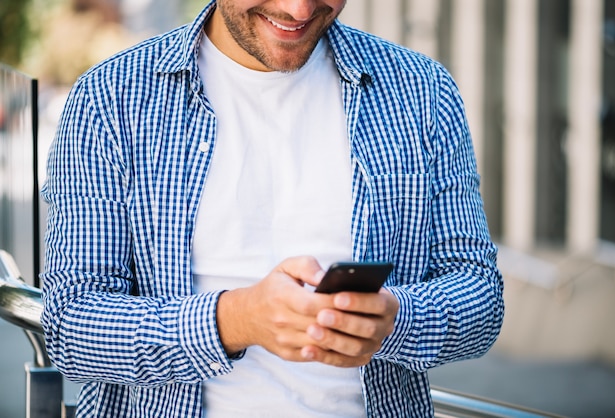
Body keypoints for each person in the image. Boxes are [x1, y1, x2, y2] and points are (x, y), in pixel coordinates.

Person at [40, 1, 504, 417]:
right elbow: (71, 326)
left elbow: (480, 295)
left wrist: (395, 318)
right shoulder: (110, 99)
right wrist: (235, 320)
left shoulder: (421, 93)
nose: (298, 9)